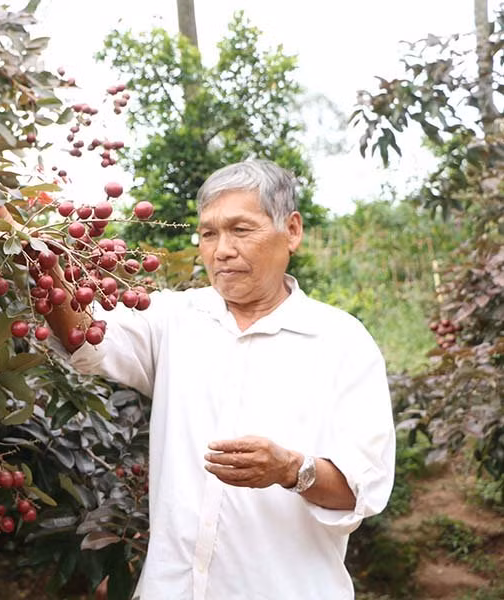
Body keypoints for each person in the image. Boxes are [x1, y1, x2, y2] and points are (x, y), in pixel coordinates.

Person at [45, 159, 396, 599]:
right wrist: (38, 260)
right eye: (209, 233)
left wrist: (291, 470)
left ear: (292, 230)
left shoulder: (342, 342)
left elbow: (360, 490)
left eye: (241, 230)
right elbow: (83, 336)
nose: (221, 250)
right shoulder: (175, 318)